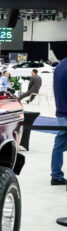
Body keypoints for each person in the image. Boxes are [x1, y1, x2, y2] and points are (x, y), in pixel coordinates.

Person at [50, 57, 67, 185]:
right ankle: (56, 175)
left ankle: (56, 175)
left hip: (61, 110)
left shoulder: (60, 66)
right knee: (60, 143)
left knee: (60, 144)